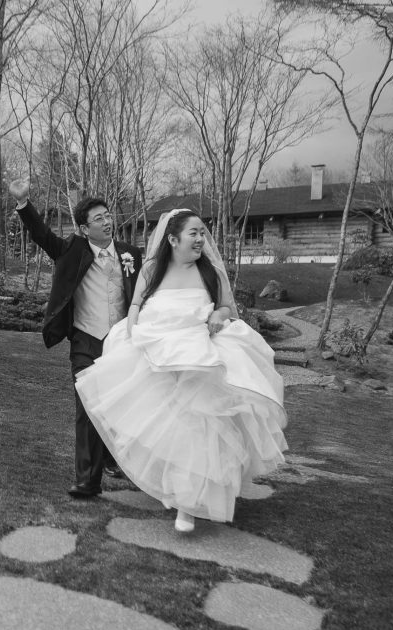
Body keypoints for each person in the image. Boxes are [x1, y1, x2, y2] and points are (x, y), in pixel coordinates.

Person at [75, 209, 287, 532]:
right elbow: (135, 306)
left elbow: (227, 307)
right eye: (194, 233)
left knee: (199, 427)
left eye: (203, 232)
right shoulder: (151, 270)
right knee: (165, 428)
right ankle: (174, 485)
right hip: (159, 353)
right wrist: (133, 332)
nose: (201, 239)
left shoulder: (210, 273)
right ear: (172, 239)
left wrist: (220, 315)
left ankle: (188, 505)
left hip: (200, 354)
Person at [8, 178, 143, 498]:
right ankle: (87, 481)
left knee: (124, 408)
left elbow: (142, 294)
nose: (107, 221)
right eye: (99, 218)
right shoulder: (72, 250)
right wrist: (24, 204)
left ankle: (117, 458)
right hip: (86, 341)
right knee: (88, 408)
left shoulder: (130, 254)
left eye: (108, 215)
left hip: (122, 344)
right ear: (84, 229)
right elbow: (42, 236)